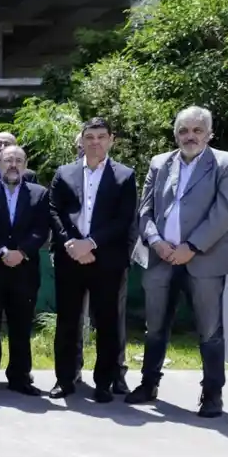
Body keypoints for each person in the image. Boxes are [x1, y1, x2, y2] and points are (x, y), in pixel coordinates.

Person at [130, 107, 228, 415]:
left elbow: (225, 211)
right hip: (162, 258)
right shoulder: (160, 163)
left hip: (203, 259)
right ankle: (148, 383)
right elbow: (145, 210)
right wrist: (156, 241)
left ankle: (211, 395)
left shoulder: (227, 164)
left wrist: (192, 246)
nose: (189, 136)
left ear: (209, 133)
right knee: (154, 326)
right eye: (183, 131)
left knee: (209, 330)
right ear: (175, 134)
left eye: (196, 130)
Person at [48, 118, 138, 402]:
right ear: (82, 140)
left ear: (111, 139)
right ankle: (65, 379)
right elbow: (54, 210)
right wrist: (71, 243)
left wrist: (92, 243)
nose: (95, 142)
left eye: (101, 136)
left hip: (107, 260)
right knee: (67, 322)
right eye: (90, 136)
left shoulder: (125, 175)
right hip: (70, 258)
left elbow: (124, 219)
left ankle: (104, 382)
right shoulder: (64, 173)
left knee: (108, 322)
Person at [0, 145, 49, 396]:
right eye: (8, 160)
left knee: (21, 327)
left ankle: (20, 377)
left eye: (18, 160)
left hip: (25, 271)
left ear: (25, 165)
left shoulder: (39, 193)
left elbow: (41, 229)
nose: (13, 165)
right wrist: (3, 252)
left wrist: (22, 252)